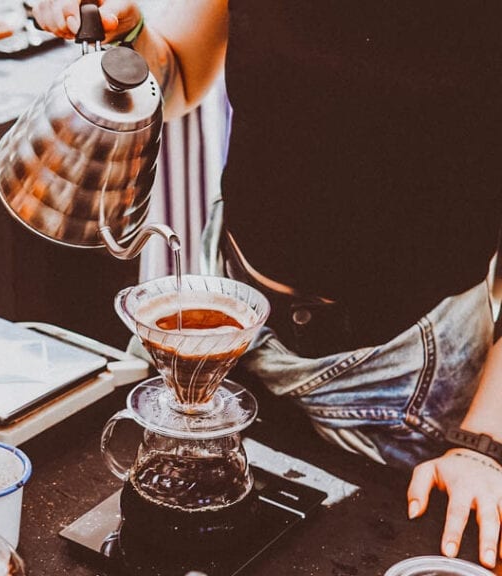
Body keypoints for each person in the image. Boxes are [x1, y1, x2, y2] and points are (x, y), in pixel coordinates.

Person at [33, 0, 502, 569]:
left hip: (398, 374)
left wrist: (483, 447)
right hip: (230, 309)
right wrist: (124, 30)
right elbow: (176, 74)